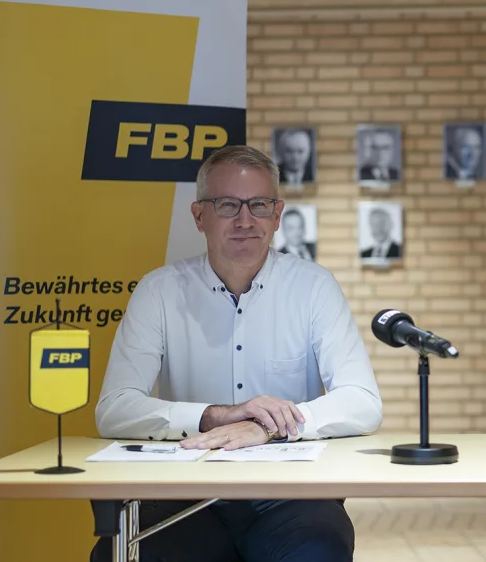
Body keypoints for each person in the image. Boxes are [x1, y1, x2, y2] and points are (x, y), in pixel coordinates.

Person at [91, 145, 382, 562]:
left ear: (277, 215)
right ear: (198, 216)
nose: (245, 220)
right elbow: (114, 409)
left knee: (318, 551)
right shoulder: (159, 291)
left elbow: (363, 401)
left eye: (259, 205)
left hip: (291, 495)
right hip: (186, 495)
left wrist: (270, 427)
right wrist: (215, 416)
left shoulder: (314, 287)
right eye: (227, 205)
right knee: (115, 555)